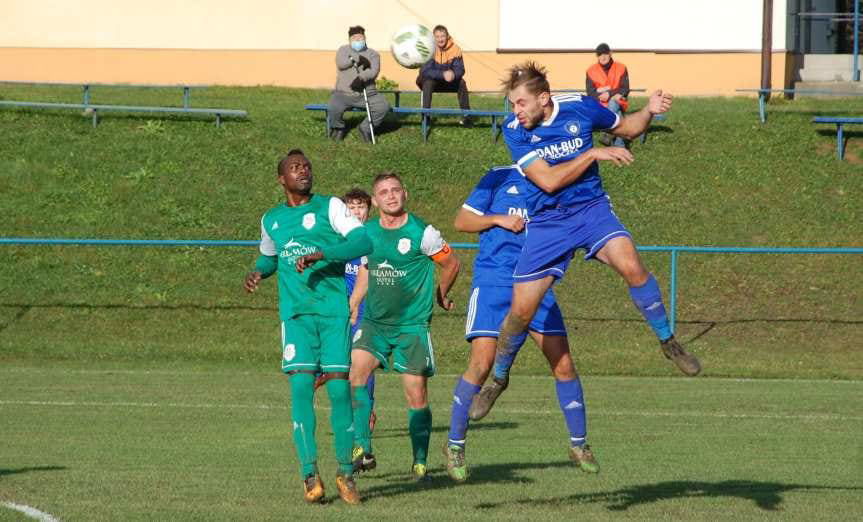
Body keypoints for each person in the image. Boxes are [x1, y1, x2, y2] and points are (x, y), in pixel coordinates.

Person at [472, 61, 700, 420]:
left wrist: (649, 112)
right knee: (520, 312)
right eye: (513, 104)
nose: (515, 111)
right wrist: (592, 153)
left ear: (543, 98)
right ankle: (499, 379)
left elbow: (627, 128)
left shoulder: (580, 106)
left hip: (591, 210)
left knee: (633, 266)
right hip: (547, 222)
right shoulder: (515, 130)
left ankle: (668, 341)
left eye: (520, 103)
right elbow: (547, 181)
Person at [443, 165, 599, 483]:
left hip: (535, 285)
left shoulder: (561, 182)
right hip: (493, 282)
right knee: (481, 363)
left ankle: (579, 445)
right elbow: (462, 221)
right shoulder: (498, 177)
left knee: (564, 364)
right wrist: (497, 219)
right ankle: (455, 445)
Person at [243, 149, 373, 505]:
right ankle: (309, 474)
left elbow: (364, 241)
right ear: (281, 179)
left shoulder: (330, 207)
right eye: (294, 167)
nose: (303, 170)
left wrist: (324, 253)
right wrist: (258, 271)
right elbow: (270, 257)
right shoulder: (271, 219)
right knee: (301, 390)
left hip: (332, 315)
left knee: (338, 392)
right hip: (296, 318)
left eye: (307, 166)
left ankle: (346, 473)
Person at [348, 172, 461, 482]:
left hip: (411, 326)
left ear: (405, 194)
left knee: (416, 396)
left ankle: (420, 462)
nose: (391, 195)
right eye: (383, 192)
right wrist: (354, 303)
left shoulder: (422, 232)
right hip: (375, 323)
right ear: (375, 200)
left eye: (396, 190)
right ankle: (362, 447)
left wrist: (441, 294)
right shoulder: (367, 232)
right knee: (356, 373)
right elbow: (367, 272)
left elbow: (452, 263)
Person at [327, 25, 390, 142]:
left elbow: (374, 71)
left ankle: (365, 128)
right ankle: (339, 127)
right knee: (333, 107)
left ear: (365, 38)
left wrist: (361, 78)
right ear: (349, 40)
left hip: (367, 93)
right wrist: (357, 58)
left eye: (360, 38)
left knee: (383, 107)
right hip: (343, 93)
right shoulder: (343, 50)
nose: (358, 40)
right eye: (355, 38)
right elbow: (341, 64)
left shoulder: (373, 54)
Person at [416, 25, 473, 126]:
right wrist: (443, 74)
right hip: (432, 82)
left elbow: (460, 69)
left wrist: (454, 74)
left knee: (461, 82)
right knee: (427, 82)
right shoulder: (428, 48)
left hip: (448, 82)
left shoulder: (456, 49)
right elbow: (425, 71)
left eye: (442, 36)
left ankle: (467, 116)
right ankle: (425, 117)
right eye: (437, 37)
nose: (440, 39)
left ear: (447, 36)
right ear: (433, 38)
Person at [586, 43, 630, 147]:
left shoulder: (621, 67)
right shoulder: (590, 70)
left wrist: (609, 94)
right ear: (597, 56)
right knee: (617, 114)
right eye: (600, 54)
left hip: (619, 102)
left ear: (610, 53)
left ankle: (607, 133)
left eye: (605, 53)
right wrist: (603, 95)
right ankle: (620, 146)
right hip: (600, 105)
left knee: (613, 101)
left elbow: (625, 88)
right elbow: (590, 93)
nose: (603, 56)